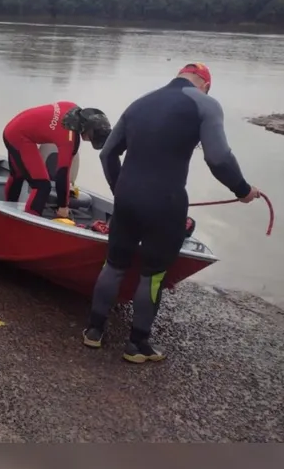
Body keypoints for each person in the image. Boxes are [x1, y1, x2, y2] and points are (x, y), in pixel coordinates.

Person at [83, 62, 261, 363]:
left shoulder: (140, 103)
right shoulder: (205, 104)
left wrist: (120, 190)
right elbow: (218, 158)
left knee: (114, 265)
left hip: (126, 198)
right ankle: (137, 345)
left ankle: (94, 331)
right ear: (204, 84)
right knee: (152, 275)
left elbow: (107, 153)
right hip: (165, 203)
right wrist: (242, 189)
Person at [2, 102, 112, 217]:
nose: (90, 140)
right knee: (42, 186)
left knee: (18, 175)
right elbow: (62, 174)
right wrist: (63, 206)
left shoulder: (72, 107)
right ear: (87, 128)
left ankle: (6, 212)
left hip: (13, 127)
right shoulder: (70, 139)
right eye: (92, 137)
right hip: (19, 137)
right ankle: (30, 222)